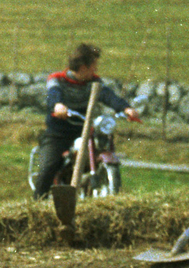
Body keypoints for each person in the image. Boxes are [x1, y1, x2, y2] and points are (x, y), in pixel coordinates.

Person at [33, 43, 140, 200]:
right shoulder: (57, 79)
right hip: (59, 133)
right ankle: (37, 203)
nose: (96, 70)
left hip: (85, 131)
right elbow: (53, 94)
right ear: (83, 67)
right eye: (93, 66)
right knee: (48, 166)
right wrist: (58, 106)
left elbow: (110, 97)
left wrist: (126, 109)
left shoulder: (95, 83)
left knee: (105, 144)